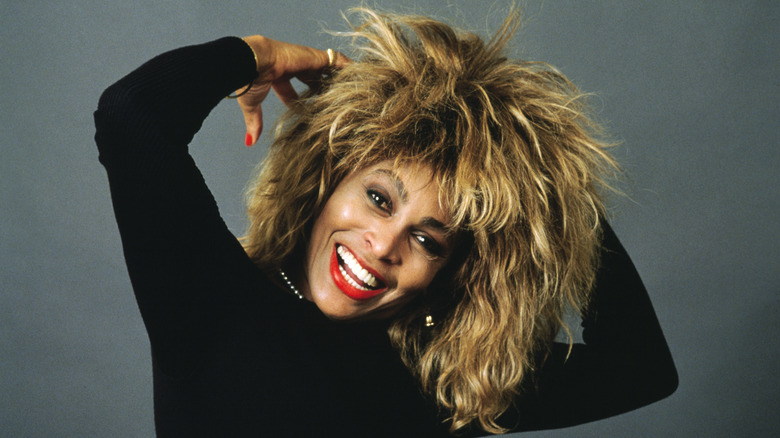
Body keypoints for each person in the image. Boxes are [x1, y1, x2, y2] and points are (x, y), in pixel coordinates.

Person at [94, 7, 677, 437]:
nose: (383, 244)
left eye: (427, 238)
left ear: (448, 270)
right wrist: (257, 56)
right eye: (378, 198)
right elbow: (131, 115)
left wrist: (548, 188)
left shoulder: (452, 384)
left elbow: (641, 371)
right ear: (327, 181)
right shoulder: (213, 307)